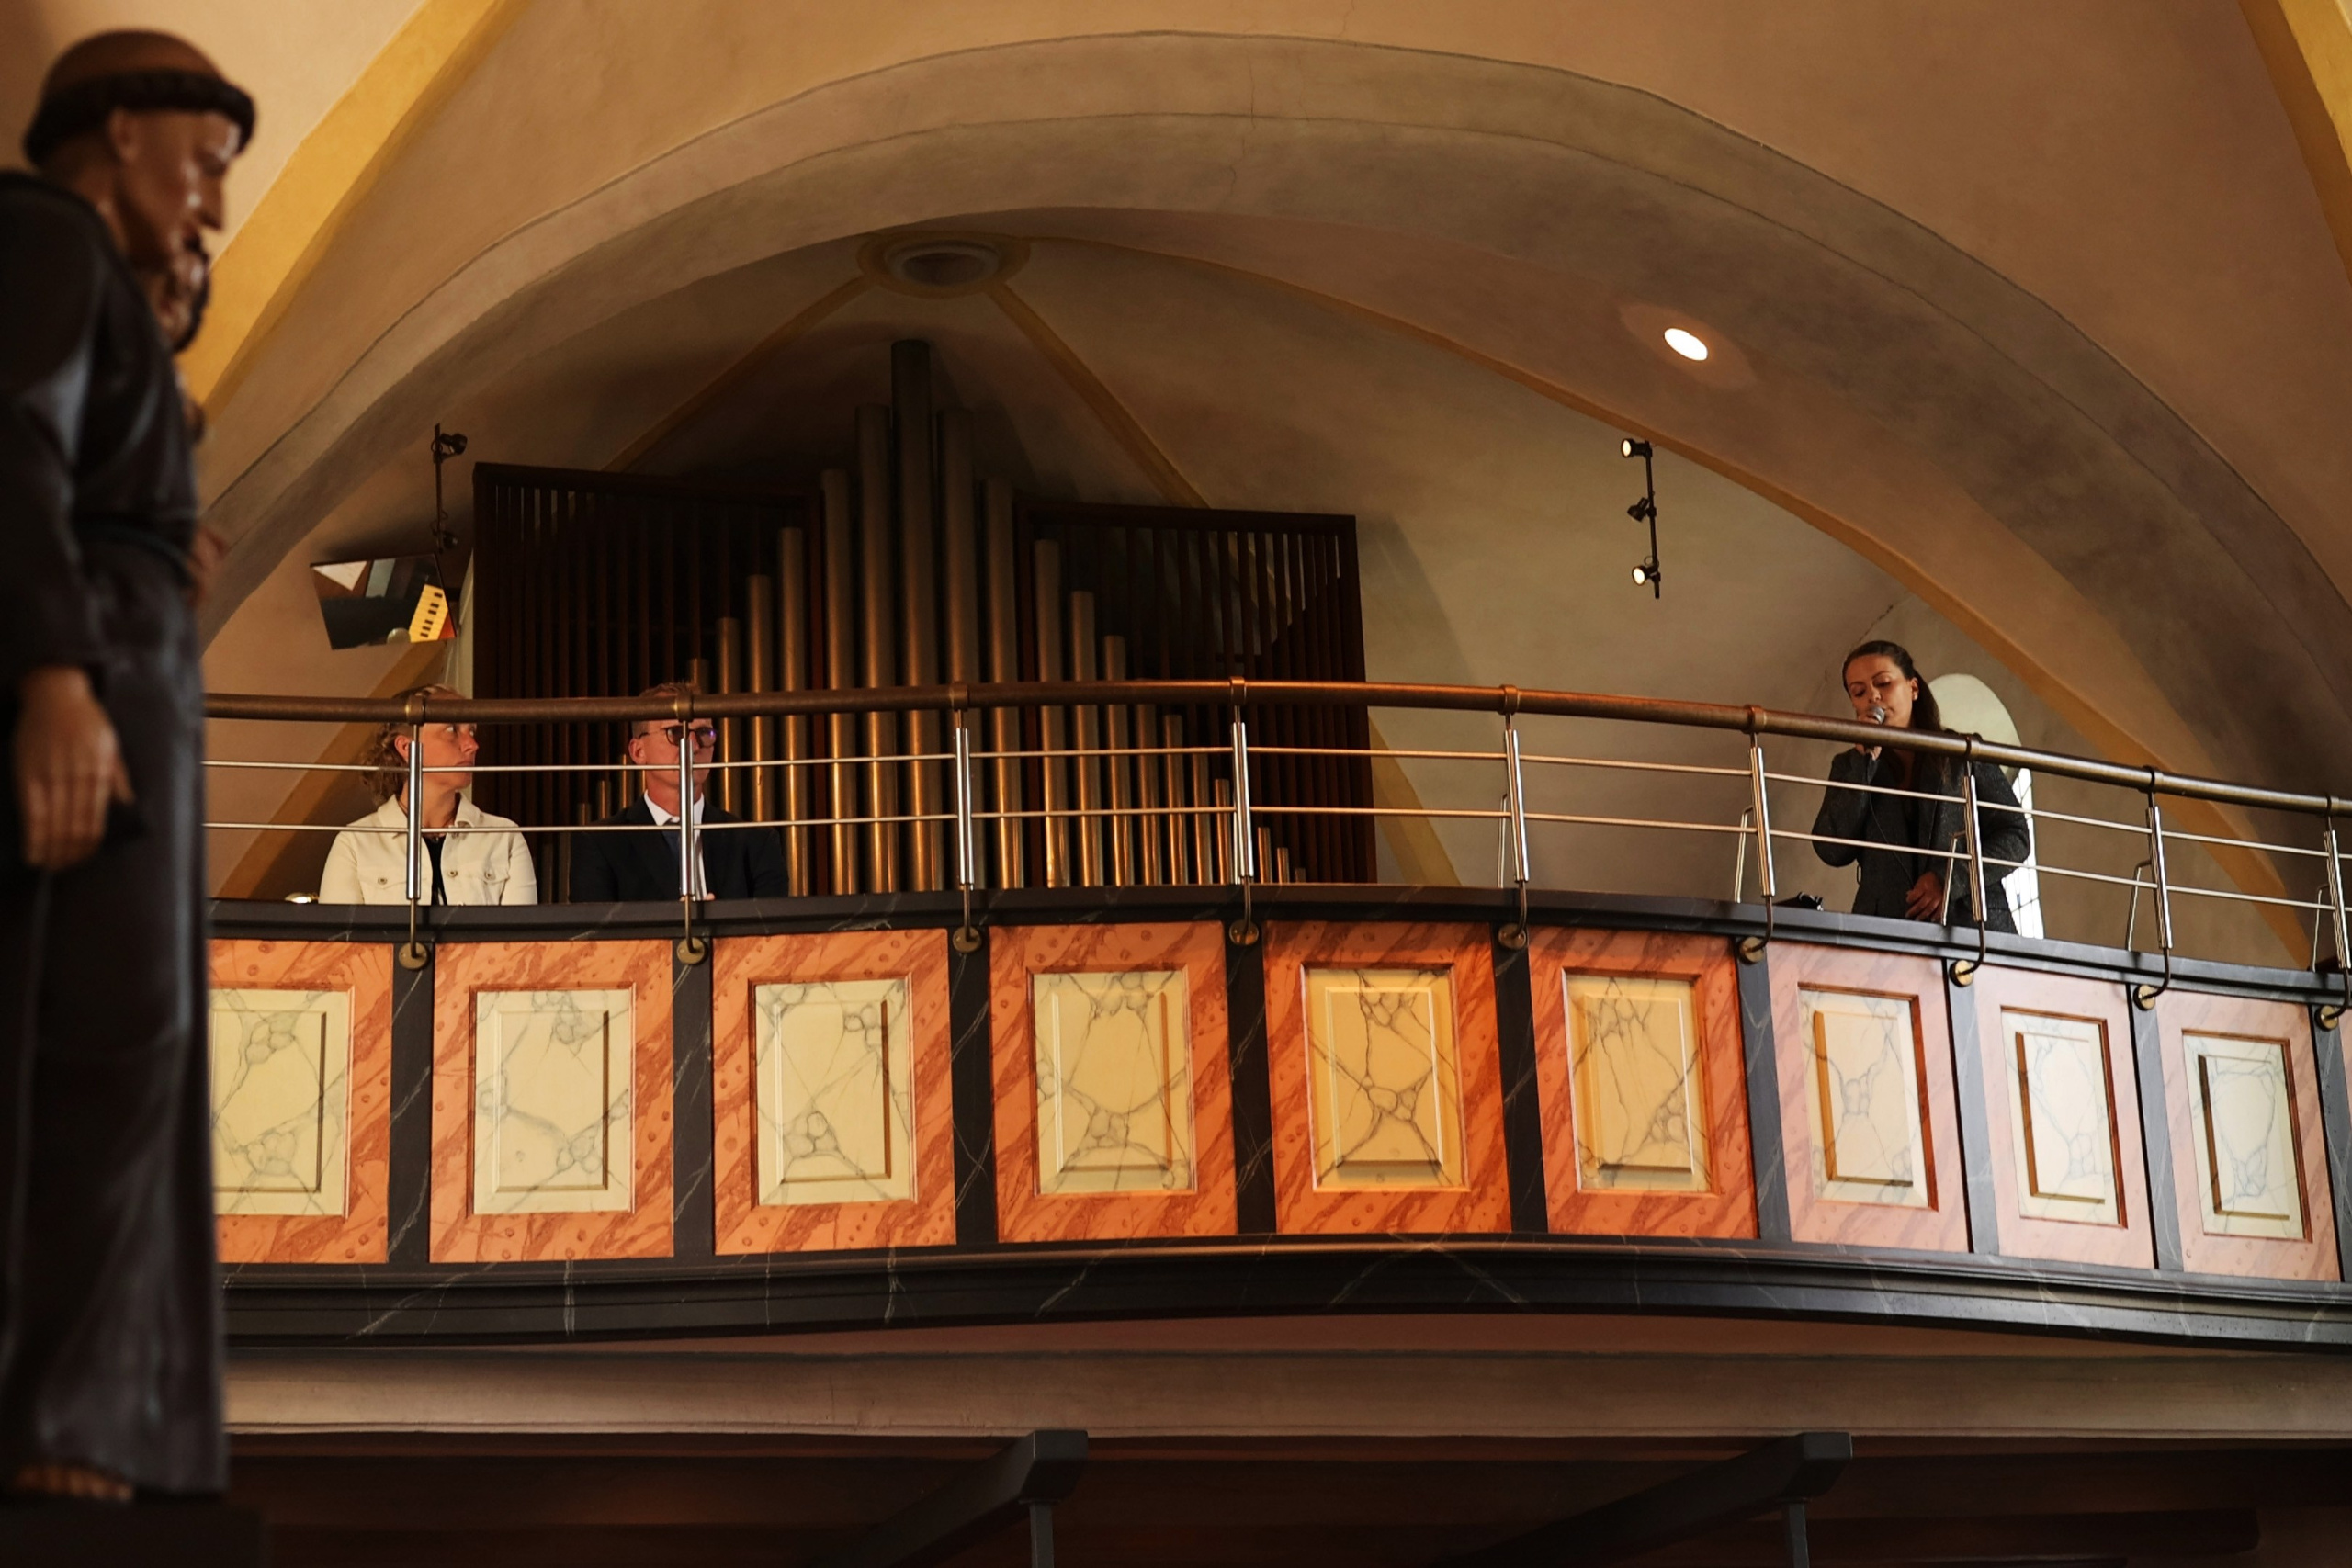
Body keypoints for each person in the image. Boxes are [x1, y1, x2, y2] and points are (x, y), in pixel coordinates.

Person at [0, 30, 254, 1502]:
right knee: (99, 1034)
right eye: (205, 166)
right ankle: (56, 1414)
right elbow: (11, 453)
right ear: (123, 131)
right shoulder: (38, 236)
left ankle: (97, 1411)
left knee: (142, 1038)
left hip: (135, 670)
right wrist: (53, 677)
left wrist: (171, 559)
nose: (212, 207)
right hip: (96, 677)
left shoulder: (100, 286)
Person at [1812, 640, 2030, 931]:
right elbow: (1831, 849)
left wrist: (1950, 878)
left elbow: (2015, 836)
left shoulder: (1963, 754)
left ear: (1913, 689)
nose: (1873, 698)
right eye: (1859, 692)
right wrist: (1863, 766)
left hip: (1970, 923)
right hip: (1887, 929)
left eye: (1884, 684)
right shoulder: (1849, 765)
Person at [319, 685, 538, 905]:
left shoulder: (505, 838)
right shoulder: (354, 844)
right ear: (406, 747)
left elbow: (521, 938)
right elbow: (339, 938)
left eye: (471, 731)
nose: (472, 745)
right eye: (452, 730)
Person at [571, 682, 789, 901]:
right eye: (676, 733)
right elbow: (596, 935)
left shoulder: (757, 843)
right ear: (638, 752)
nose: (694, 746)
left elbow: (775, 934)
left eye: (704, 733)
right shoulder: (601, 843)